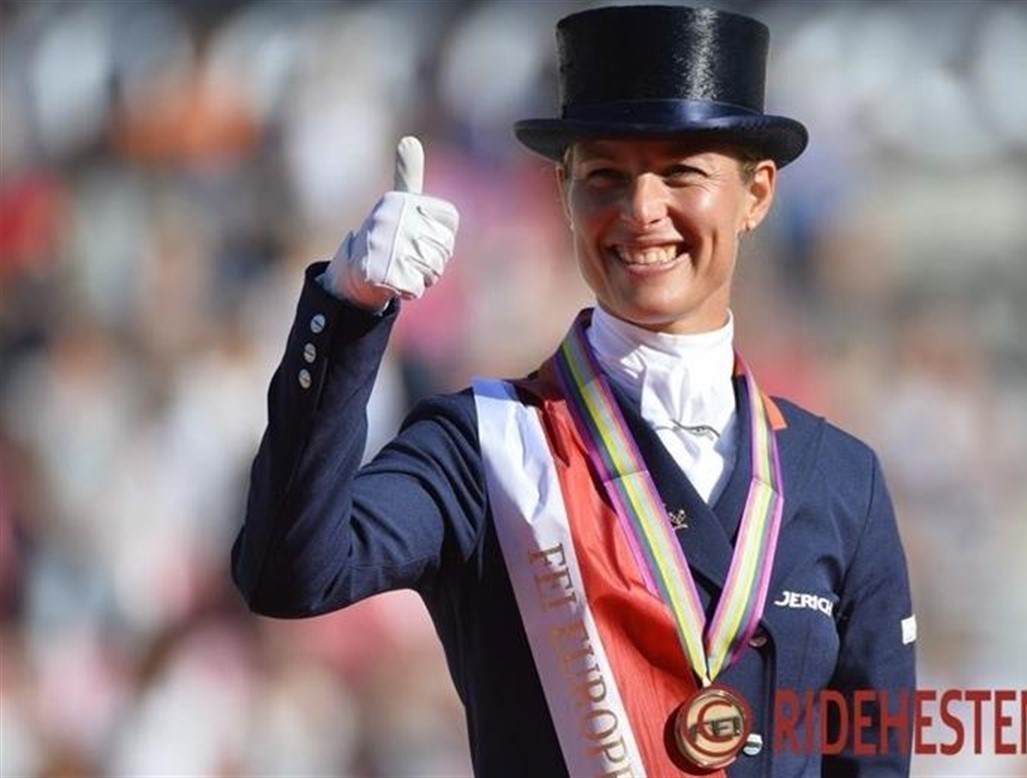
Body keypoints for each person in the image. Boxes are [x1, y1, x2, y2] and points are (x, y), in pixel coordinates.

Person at [233, 6, 915, 776]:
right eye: (605, 177)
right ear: (564, 192)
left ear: (756, 194)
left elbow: (874, 759)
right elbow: (290, 573)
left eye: (683, 173)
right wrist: (347, 309)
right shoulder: (481, 446)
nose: (641, 210)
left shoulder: (844, 481)